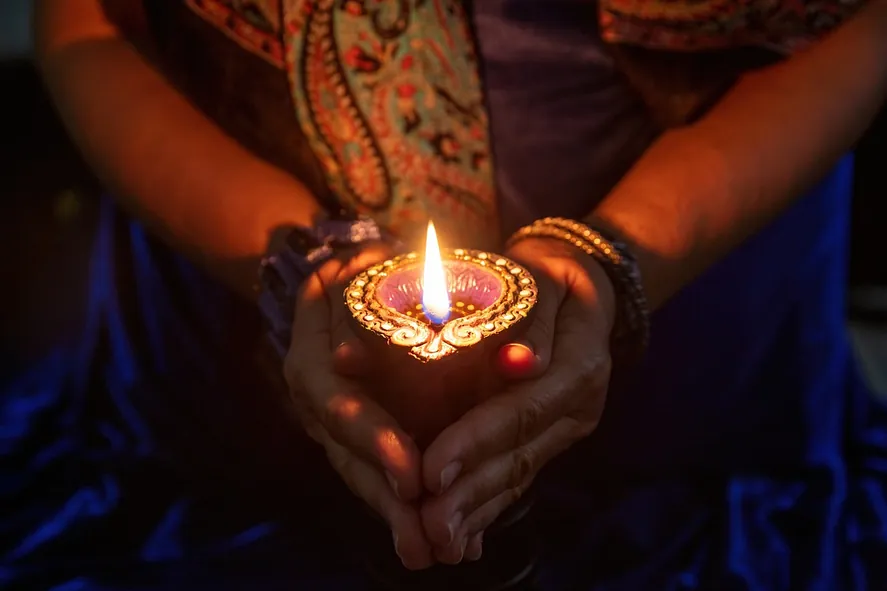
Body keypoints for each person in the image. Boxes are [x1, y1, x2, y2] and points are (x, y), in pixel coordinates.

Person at [5, 0, 887, 588]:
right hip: (216, 336)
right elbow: (86, 19)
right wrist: (299, 266)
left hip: (695, 317)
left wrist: (605, 266)